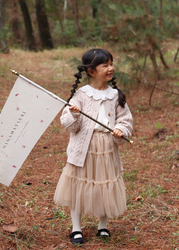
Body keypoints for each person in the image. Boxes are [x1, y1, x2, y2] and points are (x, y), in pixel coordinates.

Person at [54, 48, 133, 245]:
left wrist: (120, 130)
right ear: (91, 71)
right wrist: (73, 113)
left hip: (106, 146)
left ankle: (102, 225)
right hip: (84, 147)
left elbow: (125, 119)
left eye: (111, 64)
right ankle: (76, 228)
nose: (110, 68)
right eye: (105, 65)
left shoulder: (115, 95)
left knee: (104, 183)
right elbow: (70, 125)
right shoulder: (81, 94)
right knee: (78, 185)